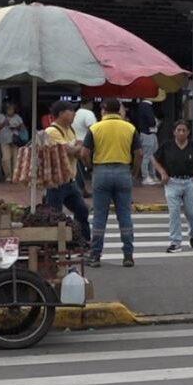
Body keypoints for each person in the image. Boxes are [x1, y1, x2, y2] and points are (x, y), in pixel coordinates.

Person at [83, 97, 141, 268]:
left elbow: (84, 153)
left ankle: (95, 255)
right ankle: (128, 255)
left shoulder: (95, 128)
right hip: (123, 172)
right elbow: (139, 153)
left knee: (100, 216)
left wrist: (90, 168)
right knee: (124, 215)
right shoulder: (130, 128)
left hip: (101, 172)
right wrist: (134, 172)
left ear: (103, 109)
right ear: (119, 110)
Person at [153, 119, 193, 253]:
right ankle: (175, 241)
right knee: (174, 212)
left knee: (192, 213)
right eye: (178, 130)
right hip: (172, 182)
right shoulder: (167, 146)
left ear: (188, 132)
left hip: (189, 182)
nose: (181, 133)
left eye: (184, 130)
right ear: (174, 132)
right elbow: (155, 159)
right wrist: (163, 173)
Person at [43, 101, 90, 245]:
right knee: (55, 216)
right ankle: (54, 244)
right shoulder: (52, 131)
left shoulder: (70, 130)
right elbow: (67, 151)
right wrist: (77, 146)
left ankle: (82, 239)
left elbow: (78, 153)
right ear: (61, 113)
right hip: (56, 182)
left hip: (70, 181)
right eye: (71, 111)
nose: (74, 114)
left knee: (82, 210)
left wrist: (76, 148)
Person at [0, 101, 25, 183]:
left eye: (12, 109)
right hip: (4, 140)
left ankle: (15, 177)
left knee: (16, 159)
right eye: (8, 109)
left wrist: (16, 127)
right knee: (6, 159)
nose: (10, 110)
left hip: (15, 141)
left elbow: (23, 128)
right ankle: (8, 176)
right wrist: (3, 124)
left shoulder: (17, 117)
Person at [72, 100, 98, 197]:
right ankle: (96, 191)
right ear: (89, 103)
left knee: (78, 169)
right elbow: (94, 130)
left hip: (75, 144)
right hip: (86, 145)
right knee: (90, 169)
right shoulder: (88, 113)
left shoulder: (76, 113)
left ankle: (81, 189)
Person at [135, 99, 160, 186]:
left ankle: (152, 175)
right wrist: (156, 122)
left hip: (148, 133)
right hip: (148, 133)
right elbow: (151, 121)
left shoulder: (143, 106)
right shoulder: (146, 106)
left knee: (151, 155)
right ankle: (146, 176)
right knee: (147, 156)